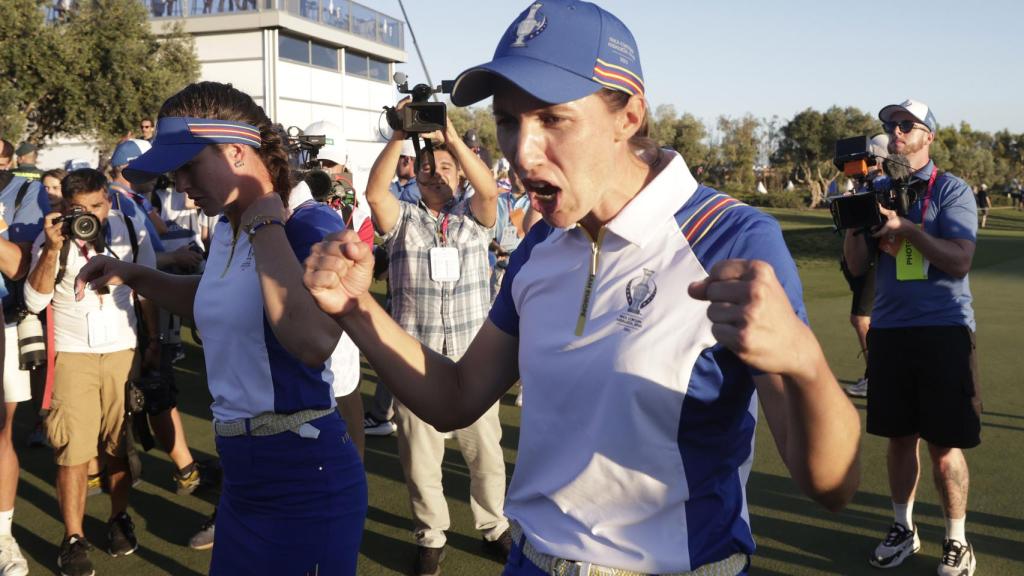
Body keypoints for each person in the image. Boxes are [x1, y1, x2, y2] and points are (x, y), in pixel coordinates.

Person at [303, 2, 861, 574]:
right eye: (508, 121)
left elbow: (831, 486)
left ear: (629, 116)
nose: (522, 152)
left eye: (552, 119)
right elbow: (456, 397)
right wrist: (355, 306)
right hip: (531, 561)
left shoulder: (732, 239)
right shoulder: (542, 244)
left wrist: (805, 361)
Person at [75, 81, 367, 575]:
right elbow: (220, 299)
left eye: (189, 165)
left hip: (303, 474)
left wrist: (266, 222)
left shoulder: (308, 222)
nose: (181, 184)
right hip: (242, 473)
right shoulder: (230, 225)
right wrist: (138, 275)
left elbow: (314, 341)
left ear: (236, 151)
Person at [358, 101, 509, 576]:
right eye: (427, 168)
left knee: (485, 454)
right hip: (416, 361)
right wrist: (403, 134)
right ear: (414, 175)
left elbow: (488, 189)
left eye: (445, 168)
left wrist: (451, 139)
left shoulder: (476, 218)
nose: (436, 174)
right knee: (421, 461)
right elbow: (373, 191)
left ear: (460, 174)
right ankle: (430, 535)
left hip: (473, 360)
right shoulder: (401, 219)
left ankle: (494, 525)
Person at [843, 98, 980, 576]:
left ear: (928, 137)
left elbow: (959, 259)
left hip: (943, 329)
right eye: (890, 125)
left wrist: (905, 227)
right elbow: (859, 266)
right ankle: (903, 528)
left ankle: (957, 540)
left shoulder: (952, 190)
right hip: (891, 332)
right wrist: (856, 218)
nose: (896, 131)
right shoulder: (875, 187)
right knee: (899, 439)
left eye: (907, 124)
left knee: (945, 447)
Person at [24, 168, 156, 576]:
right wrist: (49, 249)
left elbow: (148, 287)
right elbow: (32, 300)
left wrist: (153, 343)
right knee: (73, 451)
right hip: (73, 355)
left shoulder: (130, 230)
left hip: (122, 351)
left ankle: (118, 518)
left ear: (109, 199)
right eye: (80, 208)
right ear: (65, 206)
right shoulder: (53, 239)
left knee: (118, 444)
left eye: (98, 205)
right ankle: (74, 536)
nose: (91, 215)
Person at [0, 141, 49, 576]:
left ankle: (3, 538)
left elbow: (18, 267)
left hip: (4, 321)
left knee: (1, 429)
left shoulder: (22, 193)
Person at [841, 133, 887, 399]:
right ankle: (878, 374)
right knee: (866, 318)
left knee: (861, 318)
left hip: (877, 256)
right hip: (865, 255)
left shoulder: (882, 185)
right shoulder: (866, 185)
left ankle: (877, 376)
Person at [389, 139, 421, 204]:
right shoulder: (424, 186)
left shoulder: (414, 191)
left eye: (396, 158)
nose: (394, 164)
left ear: (407, 160)